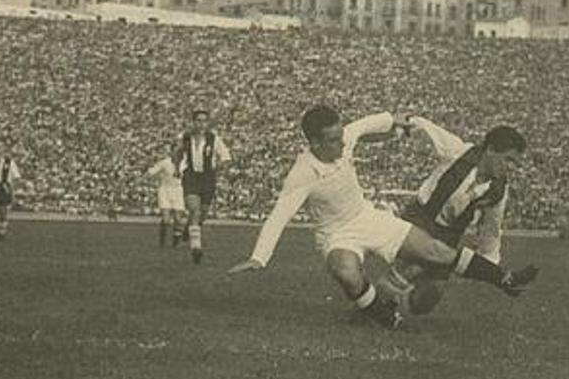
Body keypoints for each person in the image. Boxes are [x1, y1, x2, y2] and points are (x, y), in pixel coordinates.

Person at [227, 105, 539, 329]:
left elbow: (367, 124)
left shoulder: (344, 138)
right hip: (336, 233)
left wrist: (397, 120)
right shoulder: (301, 174)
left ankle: (502, 278)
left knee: (435, 263)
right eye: (334, 140)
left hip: (368, 217)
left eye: (341, 136)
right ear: (315, 144)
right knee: (345, 271)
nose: (343, 142)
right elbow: (279, 215)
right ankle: (383, 316)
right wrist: (259, 257)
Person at [385, 117, 532, 313]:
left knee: (427, 300)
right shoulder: (459, 151)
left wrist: (489, 261)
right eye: (508, 159)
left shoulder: (498, 190)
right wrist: (407, 122)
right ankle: (378, 305)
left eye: (515, 164)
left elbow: (492, 228)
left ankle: (391, 302)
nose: (511, 168)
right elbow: (428, 129)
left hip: (449, 234)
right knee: (411, 267)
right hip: (421, 217)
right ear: (490, 149)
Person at [175, 109, 231, 263]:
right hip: (191, 176)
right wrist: (176, 168)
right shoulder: (185, 137)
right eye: (198, 121)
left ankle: (189, 228)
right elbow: (178, 153)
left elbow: (226, 157)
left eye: (204, 121)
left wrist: (216, 166)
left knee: (203, 214)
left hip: (208, 178)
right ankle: (196, 249)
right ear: (193, 122)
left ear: (207, 123)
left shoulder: (214, 139)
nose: (201, 124)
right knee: (194, 209)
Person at [146, 148, 186, 248]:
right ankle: (162, 240)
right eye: (175, 153)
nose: (177, 156)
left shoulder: (186, 164)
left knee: (178, 218)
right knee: (166, 218)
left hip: (179, 190)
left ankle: (176, 242)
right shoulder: (165, 163)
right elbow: (151, 172)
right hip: (165, 190)